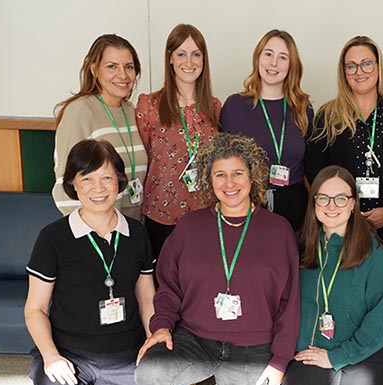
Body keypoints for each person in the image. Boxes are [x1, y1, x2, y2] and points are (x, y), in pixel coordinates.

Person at [134, 134, 300, 385]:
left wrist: (279, 361)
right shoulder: (190, 226)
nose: (230, 183)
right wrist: (161, 326)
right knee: (150, 371)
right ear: (208, 181)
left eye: (238, 173)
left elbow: (290, 303)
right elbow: (169, 287)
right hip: (197, 338)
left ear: (253, 176)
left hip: (252, 346)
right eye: (220, 174)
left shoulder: (277, 230)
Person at [24, 139, 155, 385]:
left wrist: (151, 341)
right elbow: (35, 309)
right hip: (68, 353)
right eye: (88, 179)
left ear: (120, 182)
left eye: (107, 178)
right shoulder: (53, 238)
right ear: (73, 185)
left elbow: (146, 295)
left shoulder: (137, 234)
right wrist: (50, 356)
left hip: (121, 354)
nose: (99, 188)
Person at [280, 166, 383, 385]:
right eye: (323, 198)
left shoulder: (373, 252)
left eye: (340, 198)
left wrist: (338, 357)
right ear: (314, 203)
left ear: (353, 203)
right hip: (314, 348)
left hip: (363, 354)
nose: (331, 206)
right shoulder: (300, 246)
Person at [305, 35, 383, 244]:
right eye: (352, 66)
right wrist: (341, 207)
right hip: (339, 223)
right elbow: (316, 169)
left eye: (367, 64)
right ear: (344, 72)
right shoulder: (327, 116)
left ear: (378, 67)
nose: (360, 72)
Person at [137, 23, 221, 255]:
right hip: (161, 214)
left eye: (196, 55)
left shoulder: (213, 107)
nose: (189, 62)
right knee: (163, 284)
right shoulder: (149, 105)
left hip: (205, 212)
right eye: (181, 54)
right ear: (170, 58)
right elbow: (145, 155)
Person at [221, 29, 312, 233]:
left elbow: (312, 166)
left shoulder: (303, 109)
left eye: (282, 57)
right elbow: (223, 161)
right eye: (268, 54)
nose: (273, 63)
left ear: (291, 65)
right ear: (258, 58)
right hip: (247, 202)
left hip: (294, 208)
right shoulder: (234, 106)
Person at [53, 34, 148, 220]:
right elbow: (65, 186)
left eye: (128, 67)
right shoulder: (80, 112)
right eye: (112, 66)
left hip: (131, 228)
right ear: (94, 69)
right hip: (97, 232)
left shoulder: (132, 111)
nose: (123, 75)